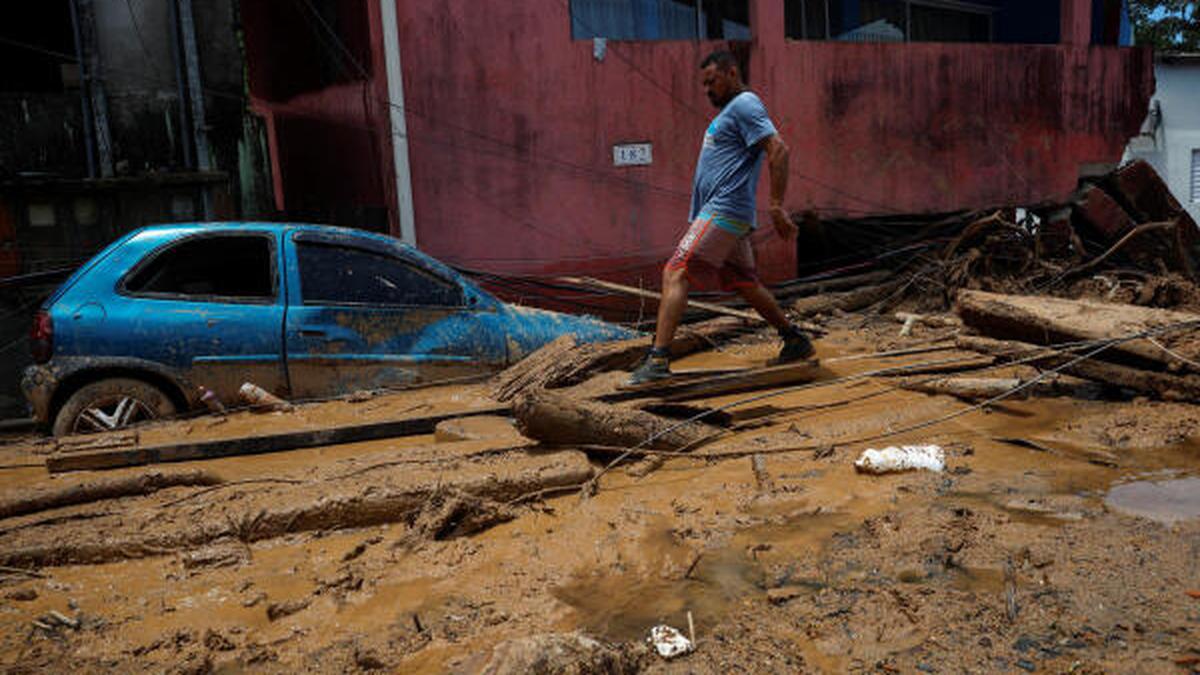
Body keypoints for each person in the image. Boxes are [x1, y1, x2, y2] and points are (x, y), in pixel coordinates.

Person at [628, 50, 815, 384]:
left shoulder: (745, 104)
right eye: (704, 84)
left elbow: (778, 149)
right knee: (744, 283)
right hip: (724, 211)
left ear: (731, 73)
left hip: (725, 209)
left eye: (712, 81)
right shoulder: (733, 111)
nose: (707, 90)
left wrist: (775, 206)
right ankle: (795, 339)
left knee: (676, 271)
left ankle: (657, 360)